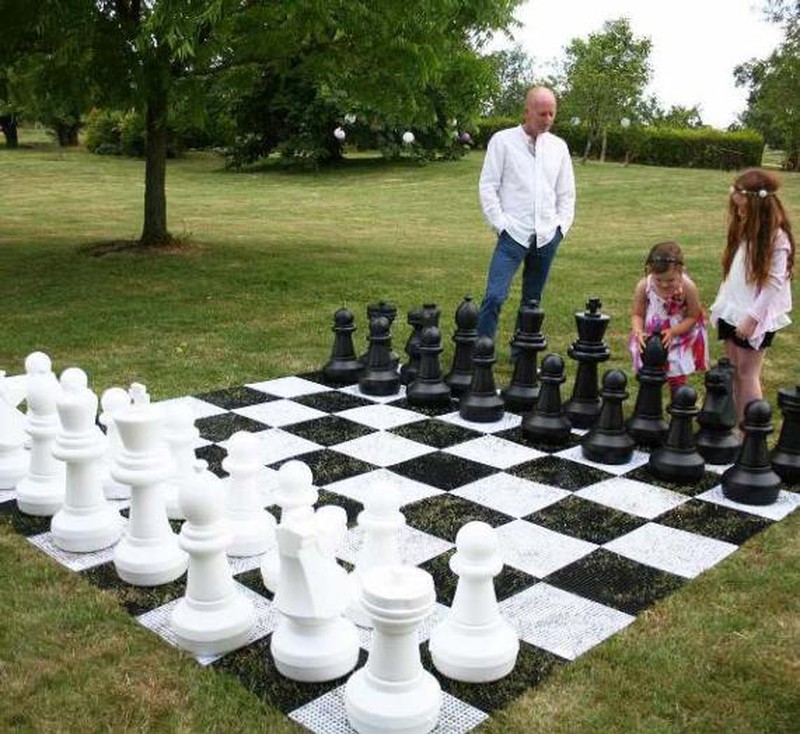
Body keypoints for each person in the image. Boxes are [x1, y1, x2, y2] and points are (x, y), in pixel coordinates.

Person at [476, 86, 576, 341]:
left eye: (552, 114)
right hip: (512, 233)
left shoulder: (559, 147)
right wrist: (500, 224)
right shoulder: (503, 141)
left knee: (532, 301)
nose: (547, 120)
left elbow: (566, 194)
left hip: (546, 235)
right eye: (542, 114)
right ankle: (480, 350)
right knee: (495, 296)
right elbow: (488, 186)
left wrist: (560, 229)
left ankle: (522, 354)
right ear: (526, 112)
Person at [710, 168, 795, 423]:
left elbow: (774, 284)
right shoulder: (745, 225)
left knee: (748, 375)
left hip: (751, 315)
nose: (737, 210)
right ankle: (737, 427)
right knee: (735, 372)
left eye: (741, 204)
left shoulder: (777, 237)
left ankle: (751, 434)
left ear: (756, 203)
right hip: (732, 308)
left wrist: (752, 318)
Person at [629, 241, 709, 395]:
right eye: (658, 280)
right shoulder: (644, 286)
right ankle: (648, 407)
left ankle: (678, 407)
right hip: (651, 337)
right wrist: (638, 331)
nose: (664, 285)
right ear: (650, 271)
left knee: (676, 375)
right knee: (649, 375)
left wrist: (673, 332)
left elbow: (693, 316)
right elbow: (637, 314)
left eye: (670, 280)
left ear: (681, 271)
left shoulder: (688, 287)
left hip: (677, 336)